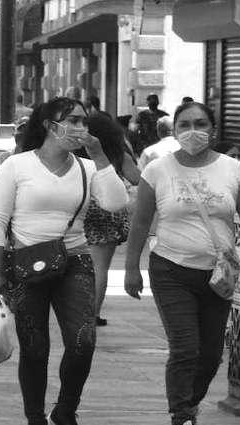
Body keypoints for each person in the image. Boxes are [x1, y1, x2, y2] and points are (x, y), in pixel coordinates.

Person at [123, 102, 240, 425]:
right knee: (185, 348)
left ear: (212, 129)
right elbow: (141, 222)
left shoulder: (232, 169)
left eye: (200, 124)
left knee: (211, 355)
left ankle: (190, 401)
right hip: (171, 269)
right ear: (174, 131)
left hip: (219, 273)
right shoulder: (157, 171)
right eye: (184, 125)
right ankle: (182, 414)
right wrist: (131, 268)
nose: (192, 131)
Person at [0, 97, 128, 425]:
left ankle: (65, 410)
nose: (80, 127)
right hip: (25, 264)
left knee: (83, 342)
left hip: (75, 262)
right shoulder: (16, 165)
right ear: (50, 125)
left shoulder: (88, 168)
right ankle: (35, 416)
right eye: (72, 120)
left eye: (84, 121)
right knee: (35, 348)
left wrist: (100, 157)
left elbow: (116, 202)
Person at [82, 113, 140, 327]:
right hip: (108, 209)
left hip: (81, 207)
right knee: (99, 267)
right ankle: (93, 314)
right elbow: (137, 179)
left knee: (78, 265)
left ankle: (75, 311)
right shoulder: (118, 154)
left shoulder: (76, 152)